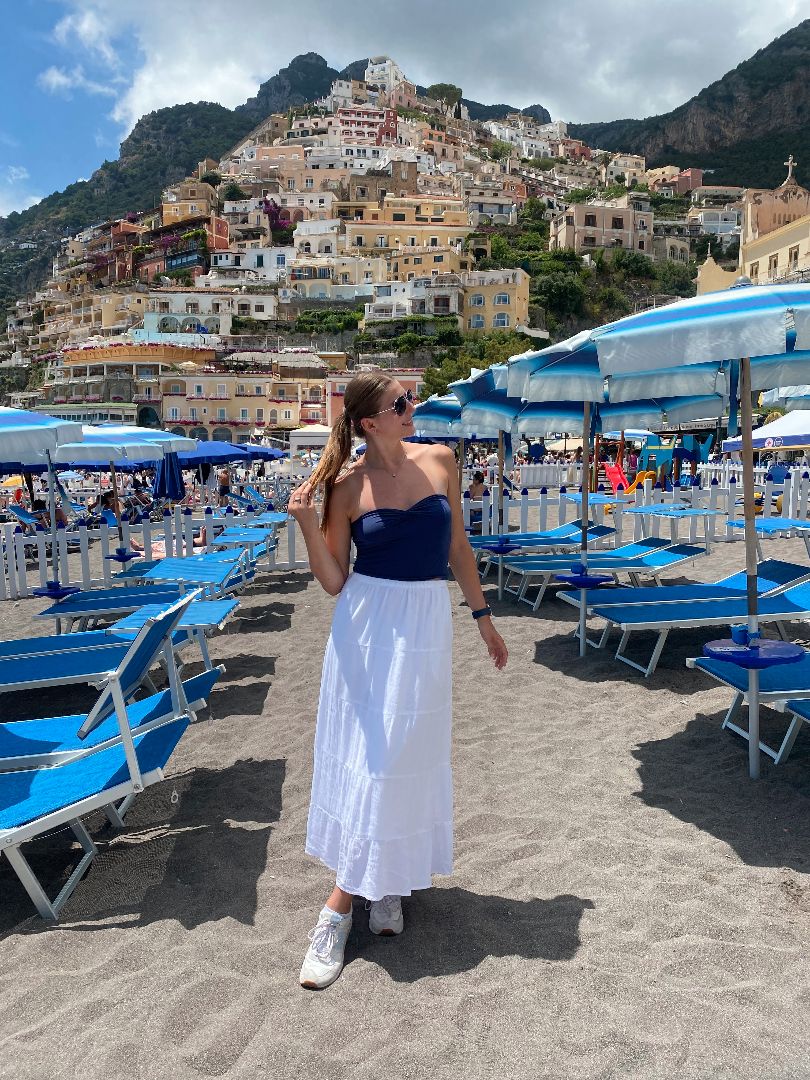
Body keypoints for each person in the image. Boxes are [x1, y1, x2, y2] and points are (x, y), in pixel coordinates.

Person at [288, 372, 508, 990]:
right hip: (367, 627)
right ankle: (339, 906)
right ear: (368, 422)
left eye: (410, 399)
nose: (413, 408)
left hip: (426, 622)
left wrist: (484, 621)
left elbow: (458, 547)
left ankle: (387, 884)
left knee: (409, 755)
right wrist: (307, 522)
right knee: (374, 761)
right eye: (400, 403)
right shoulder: (345, 485)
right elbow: (333, 579)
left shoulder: (440, 459)